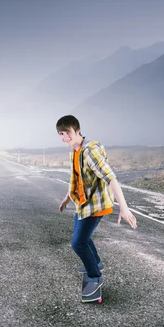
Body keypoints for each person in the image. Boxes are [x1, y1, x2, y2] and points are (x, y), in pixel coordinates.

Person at [56, 115, 137, 297]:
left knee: (78, 243)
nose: (64, 138)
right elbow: (76, 179)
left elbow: (111, 178)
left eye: (67, 133)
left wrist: (124, 208)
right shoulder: (74, 151)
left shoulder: (90, 151)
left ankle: (95, 277)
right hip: (83, 204)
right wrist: (67, 198)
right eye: (61, 134)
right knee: (83, 238)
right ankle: (97, 262)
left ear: (77, 130)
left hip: (96, 205)